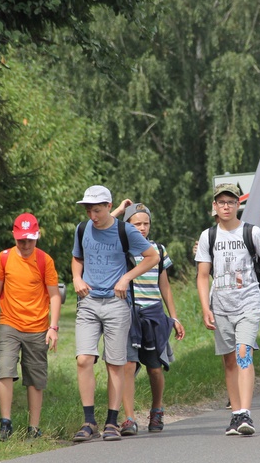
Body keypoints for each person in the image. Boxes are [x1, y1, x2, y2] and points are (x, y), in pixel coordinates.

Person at [196, 183, 260, 436]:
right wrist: (206, 307)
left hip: (248, 303)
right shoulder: (209, 236)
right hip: (222, 306)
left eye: (231, 202)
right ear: (214, 206)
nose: (226, 206)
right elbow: (203, 275)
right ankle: (235, 414)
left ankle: (245, 413)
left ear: (239, 205)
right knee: (229, 362)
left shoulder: (252, 233)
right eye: (221, 202)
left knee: (242, 353)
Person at [71, 185, 159, 442]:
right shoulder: (82, 228)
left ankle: (112, 421)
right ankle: (89, 422)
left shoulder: (126, 230)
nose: (92, 215)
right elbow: (77, 257)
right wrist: (77, 277)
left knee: (115, 363)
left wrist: (127, 278)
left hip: (116, 303)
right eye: (89, 210)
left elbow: (151, 257)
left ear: (109, 207)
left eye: (97, 210)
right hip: (88, 301)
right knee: (83, 360)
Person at [106, 201, 185, 436]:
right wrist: (117, 211)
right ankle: (129, 418)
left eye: (145, 223)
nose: (142, 228)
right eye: (136, 223)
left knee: (155, 368)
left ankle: (157, 408)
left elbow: (165, 286)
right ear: (127, 225)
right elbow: (98, 227)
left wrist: (174, 317)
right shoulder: (121, 248)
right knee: (128, 365)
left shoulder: (158, 250)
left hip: (153, 314)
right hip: (128, 313)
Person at [0, 213, 61, 441]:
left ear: (37, 237)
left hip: (37, 327)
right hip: (9, 323)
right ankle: (5, 423)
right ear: (14, 237)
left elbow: (54, 295)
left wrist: (53, 327)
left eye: (30, 240)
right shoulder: (4, 258)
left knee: (35, 377)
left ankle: (33, 428)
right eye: (21, 240)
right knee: (5, 369)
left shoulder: (45, 260)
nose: (25, 245)